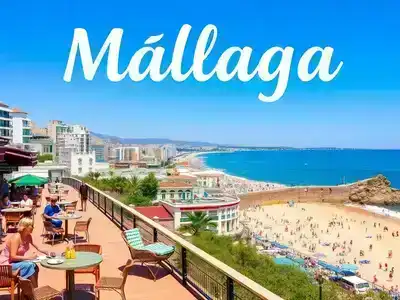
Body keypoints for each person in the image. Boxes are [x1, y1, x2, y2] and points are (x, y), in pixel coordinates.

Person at [0, 218, 54, 287]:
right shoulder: (16, 238)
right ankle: (33, 292)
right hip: (6, 265)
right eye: (31, 225)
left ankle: (31, 290)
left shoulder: (28, 236)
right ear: (25, 227)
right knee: (30, 265)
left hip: (15, 263)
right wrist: (29, 257)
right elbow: (12, 257)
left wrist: (47, 252)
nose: (33, 227)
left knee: (35, 267)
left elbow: (37, 247)